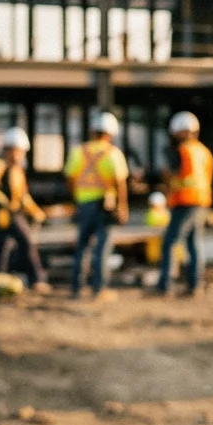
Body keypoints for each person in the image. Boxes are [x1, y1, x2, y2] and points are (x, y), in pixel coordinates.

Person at [66, 110, 129, 299]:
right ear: (110, 134)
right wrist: (122, 206)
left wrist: (76, 199)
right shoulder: (113, 153)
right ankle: (99, 288)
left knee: (82, 245)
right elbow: (120, 182)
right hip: (105, 205)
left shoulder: (78, 151)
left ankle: (77, 287)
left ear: (92, 131)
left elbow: (70, 177)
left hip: (84, 203)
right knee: (102, 247)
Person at [0, 127, 46, 291]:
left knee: (2, 246)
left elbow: (23, 195)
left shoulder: (17, 171)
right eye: (20, 151)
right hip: (4, 215)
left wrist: (35, 211)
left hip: (12, 213)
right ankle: (36, 278)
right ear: (11, 149)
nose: (21, 155)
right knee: (26, 242)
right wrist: (4, 205)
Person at [159, 111, 213, 298]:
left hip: (185, 202)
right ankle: (195, 285)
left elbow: (175, 176)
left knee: (170, 243)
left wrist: (167, 181)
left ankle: (165, 285)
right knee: (194, 244)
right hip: (202, 202)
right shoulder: (204, 151)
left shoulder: (183, 151)